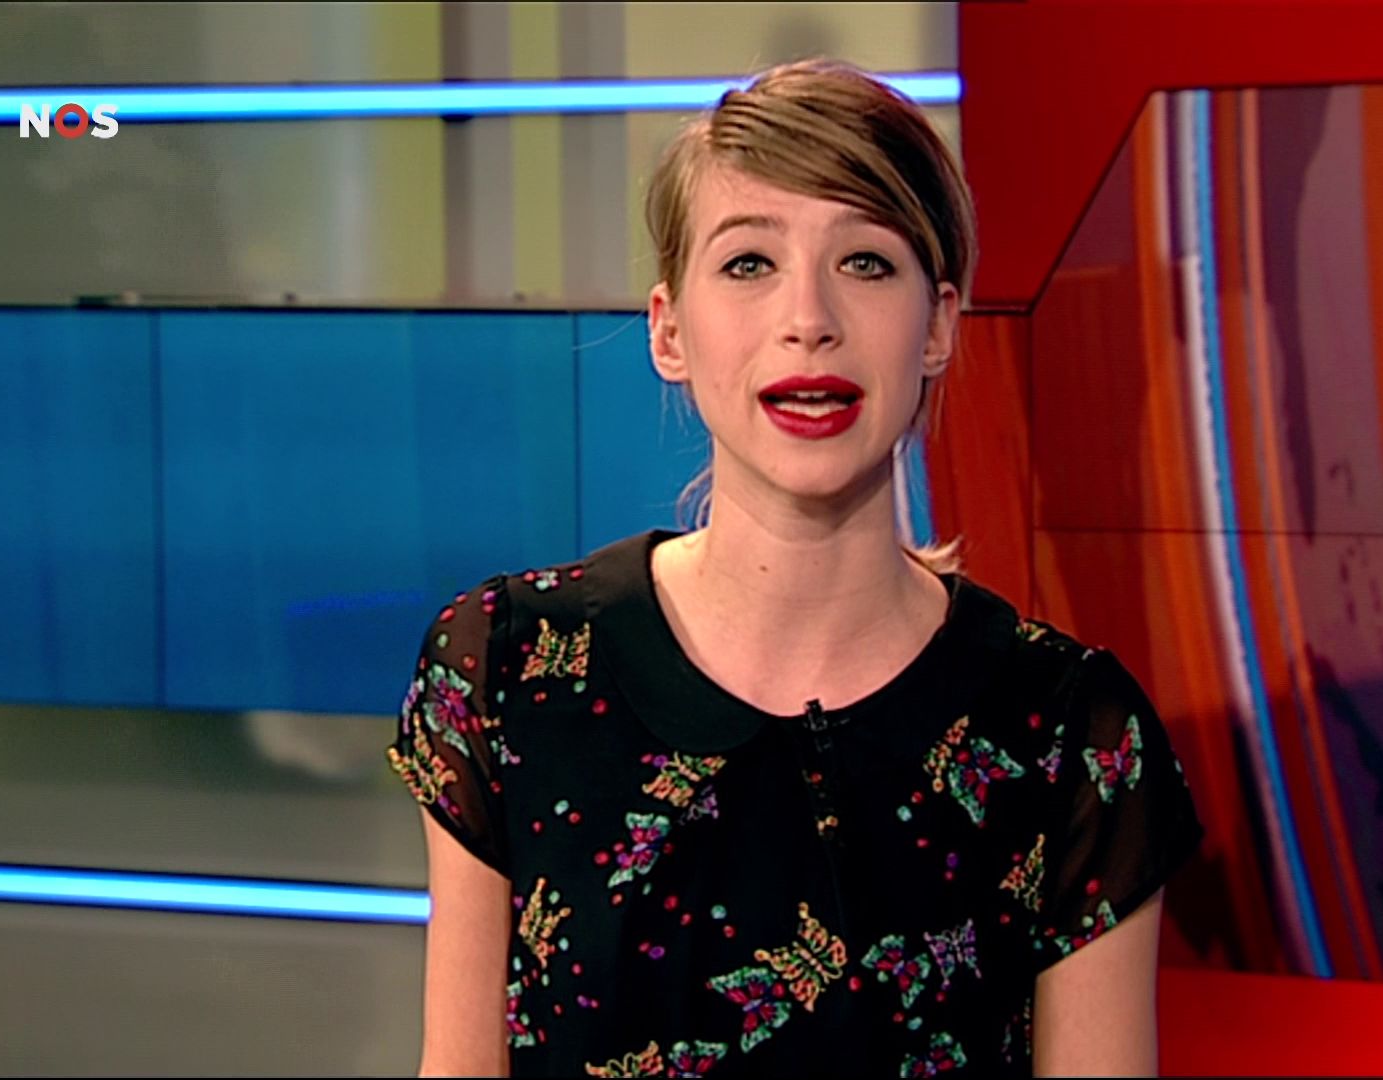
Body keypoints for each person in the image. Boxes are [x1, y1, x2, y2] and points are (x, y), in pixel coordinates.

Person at [387, 58, 1204, 1078]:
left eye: (865, 261)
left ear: (939, 325)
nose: (808, 316)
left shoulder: (1072, 735)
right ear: (669, 330)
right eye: (748, 263)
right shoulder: (508, 670)